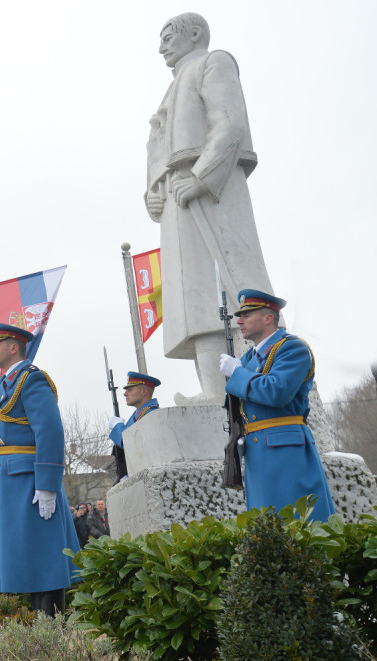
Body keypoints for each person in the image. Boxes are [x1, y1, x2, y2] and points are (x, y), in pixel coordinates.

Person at [145, 12, 274, 405]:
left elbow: (229, 125)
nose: (162, 46)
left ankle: (259, 372)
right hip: (177, 201)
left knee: (231, 283)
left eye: (168, 36)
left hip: (211, 192)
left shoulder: (213, 62)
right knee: (193, 296)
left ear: (194, 34)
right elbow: (158, 148)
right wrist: (154, 189)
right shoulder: (168, 92)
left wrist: (201, 177)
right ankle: (215, 390)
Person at [0, 324, 79, 616]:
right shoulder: (5, 384)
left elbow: (50, 432)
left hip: (29, 481)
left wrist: (48, 484)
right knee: (25, 561)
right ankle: (39, 632)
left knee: (44, 557)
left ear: (14, 347)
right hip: (9, 483)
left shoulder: (31, 379)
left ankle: (51, 631)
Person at [219, 289, 336, 518]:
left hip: (284, 447)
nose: (239, 321)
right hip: (257, 448)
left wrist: (237, 373)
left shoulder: (292, 348)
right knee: (266, 523)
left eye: (246, 315)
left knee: (298, 519)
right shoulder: (249, 358)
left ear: (268, 318)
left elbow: (277, 391)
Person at [108, 372, 161, 482]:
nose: (125, 394)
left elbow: (129, 442)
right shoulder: (137, 415)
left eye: (130, 390)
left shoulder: (151, 414)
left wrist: (118, 426)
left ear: (144, 391)